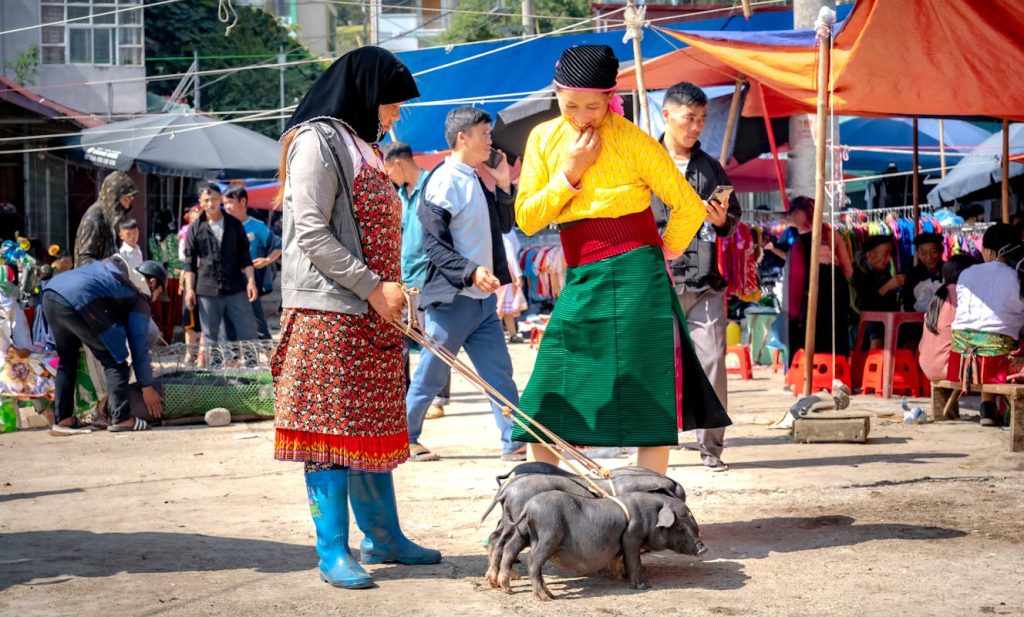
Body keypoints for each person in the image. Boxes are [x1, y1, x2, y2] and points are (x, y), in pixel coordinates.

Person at [512, 45, 730, 475]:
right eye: (569, 103)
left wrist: (665, 248)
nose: (581, 114)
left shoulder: (636, 141)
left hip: (639, 275)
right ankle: (543, 489)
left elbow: (688, 206)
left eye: (592, 105)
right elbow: (527, 217)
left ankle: (652, 498)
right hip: (581, 273)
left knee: (647, 382)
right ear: (555, 93)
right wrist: (570, 171)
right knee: (553, 378)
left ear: (611, 97)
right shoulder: (544, 139)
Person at [273, 46, 439, 590]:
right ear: (366, 95)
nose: (395, 117)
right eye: (392, 104)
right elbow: (312, 232)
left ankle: (384, 536)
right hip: (330, 312)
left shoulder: (364, 146)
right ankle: (332, 551)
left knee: (372, 427)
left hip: (374, 314)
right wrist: (372, 287)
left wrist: (392, 297)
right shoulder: (317, 143)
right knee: (330, 433)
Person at [406, 106, 525, 463]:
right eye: (484, 133)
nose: (490, 140)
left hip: (482, 303)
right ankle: (406, 438)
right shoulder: (443, 180)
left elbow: (504, 226)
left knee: (499, 373)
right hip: (454, 300)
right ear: (463, 138)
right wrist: (472, 271)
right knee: (431, 373)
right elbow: (433, 244)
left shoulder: (474, 177)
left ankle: (513, 440)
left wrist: (505, 185)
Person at [651, 81, 740, 473]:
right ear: (666, 114)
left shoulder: (711, 167)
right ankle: (652, 445)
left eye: (702, 119)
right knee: (655, 366)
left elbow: (731, 218)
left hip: (706, 282)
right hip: (659, 281)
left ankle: (711, 449)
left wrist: (724, 220)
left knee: (714, 363)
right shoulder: (644, 162)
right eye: (690, 118)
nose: (697, 127)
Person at [41, 256, 166, 432]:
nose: (154, 299)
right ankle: (122, 419)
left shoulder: (114, 269)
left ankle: (64, 420)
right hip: (81, 297)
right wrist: (147, 387)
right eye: (159, 293)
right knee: (116, 360)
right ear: (152, 282)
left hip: (52, 292)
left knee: (68, 360)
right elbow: (139, 347)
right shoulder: (139, 293)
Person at [383, 141, 452, 420]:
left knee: (434, 342)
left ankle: (438, 399)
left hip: (430, 278)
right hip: (404, 280)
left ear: (399, 163)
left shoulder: (433, 187)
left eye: (388, 170)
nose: (387, 177)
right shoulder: (399, 196)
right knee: (401, 342)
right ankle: (406, 395)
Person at [949, 224, 1024, 426]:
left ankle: (987, 408)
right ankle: (990, 409)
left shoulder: (967, 273)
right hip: (995, 359)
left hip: (960, 356)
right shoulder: (1017, 276)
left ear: (989, 251)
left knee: (992, 337)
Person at [181, 183, 258, 346]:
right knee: (210, 336)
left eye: (215, 199)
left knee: (248, 332)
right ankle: (213, 371)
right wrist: (189, 289)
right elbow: (189, 262)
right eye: (207, 200)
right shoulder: (195, 228)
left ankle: (253, 369)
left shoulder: (234, 224)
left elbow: (245, 256)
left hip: (236, 286)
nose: (211, 204)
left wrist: (251, 281)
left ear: (221, 200)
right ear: (201, 202)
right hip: (207, 289)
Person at [782, 196, 854, 356]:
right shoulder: (832, 234)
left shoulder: (800, 243)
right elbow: (848, 270)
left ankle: (814, 375)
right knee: (836, 335)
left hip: (814, 289)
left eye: (793, 212)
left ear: (802, 213)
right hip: (837, 285)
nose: (789, 216)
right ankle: (837, 373)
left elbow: (796, 281)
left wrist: (792, 314)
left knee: (814, 336)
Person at [223, 185, 281, 340]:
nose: (226, 207)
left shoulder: (257, 226)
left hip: (248, 278)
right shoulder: (221, 225)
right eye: (224, 203)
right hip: (226, 278)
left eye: (230, 202)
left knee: (255, 317)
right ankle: (233, 358)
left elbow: (278, 245)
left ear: (243, 202)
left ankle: (267, 352)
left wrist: (267, 260)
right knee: (228, 318)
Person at [919, 255, 976, 383]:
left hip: (927, 365)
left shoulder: (940, 294)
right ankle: (988, 402)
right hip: (947, 368)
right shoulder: (962, 295)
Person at [74, 171, 137, 267]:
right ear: (113, 198)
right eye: (125, 200)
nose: (127, 206)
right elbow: (85, 260)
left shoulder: (108, 218)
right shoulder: (94, 218)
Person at [902, 232, 945, 312]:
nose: (929, 257)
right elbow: (908, 304)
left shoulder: (949, 271)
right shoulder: (912, 274)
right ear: (918, 254)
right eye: (924, 253)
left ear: (940, 252)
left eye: (933, 252)